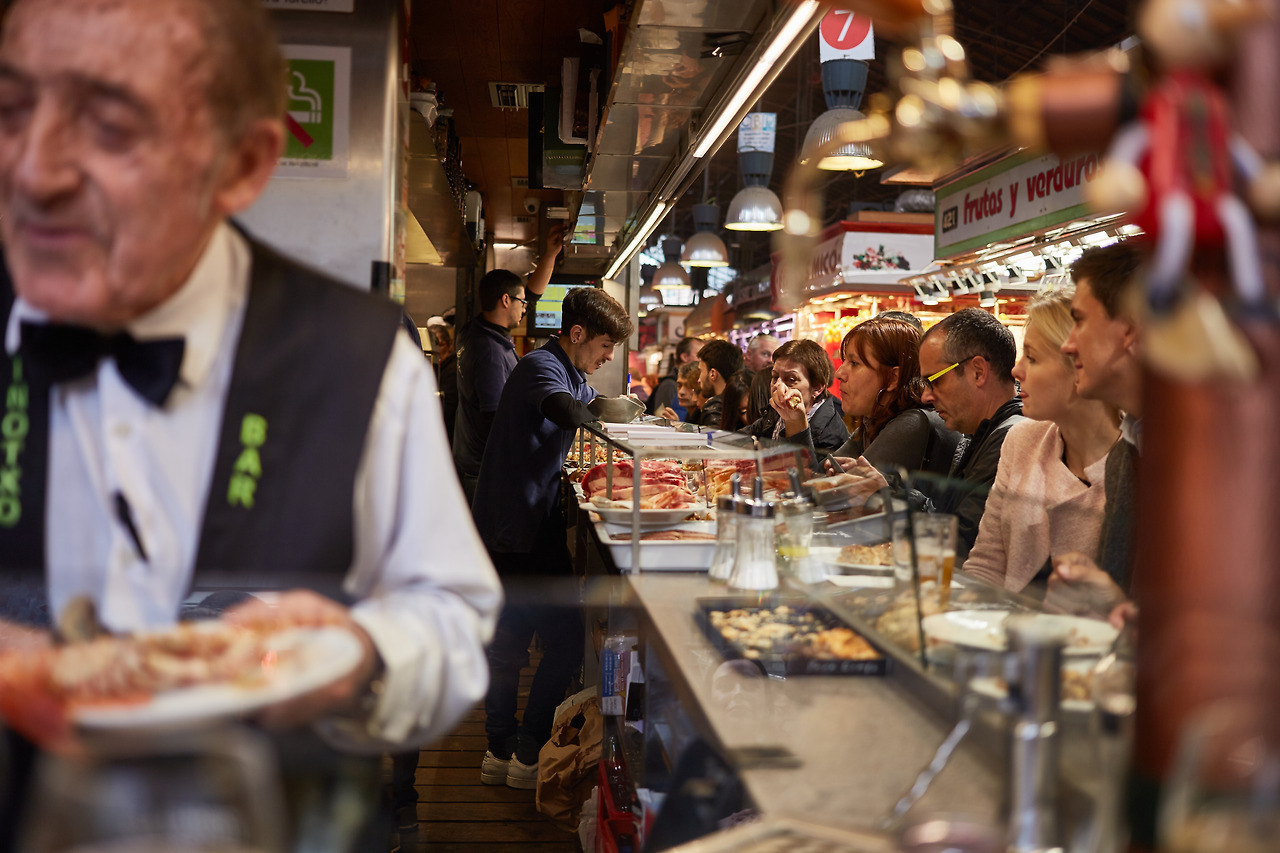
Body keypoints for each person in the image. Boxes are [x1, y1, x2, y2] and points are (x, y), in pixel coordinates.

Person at [0, 0, 501, 847]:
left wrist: (361, 650)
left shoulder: (359, 355)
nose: (34, 171)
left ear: (242, 162)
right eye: (12, 110)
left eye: (112, 127)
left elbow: (453, 620)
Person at [470, 286, 632, 790]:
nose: (608, 357)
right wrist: (609, 416)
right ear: (577, 334)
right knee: (560, 641)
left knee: (511, 642)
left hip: (518, 521)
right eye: (605, 345)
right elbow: (567, 411)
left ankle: (502, 749)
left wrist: (634, 412)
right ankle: (525, 751)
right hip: (515, 526)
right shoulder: (542, 366)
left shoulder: (567, 370)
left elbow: (589, 402)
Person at [962, 288, 1121, 592]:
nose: (1016, 370)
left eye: (1032, 358)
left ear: (1080, 365)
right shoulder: (1022, 439)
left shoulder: (1140, 463)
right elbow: (986, 564)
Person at [1046, 242, 1145, 616]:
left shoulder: (1228, 453)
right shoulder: (1129, 449)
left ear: (1132, 329)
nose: (1068, 345)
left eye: (1080, 320)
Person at [453, 229, 564, 502]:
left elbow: (531, 295)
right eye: (521, 302)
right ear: (505, 300)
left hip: (471, 462)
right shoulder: (489, 351)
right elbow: (495, 418)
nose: (526, 308)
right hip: (482, 470)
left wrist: (550, 254)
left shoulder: (475, 331)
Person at [823, 315, 960, 477]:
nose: (839, 374)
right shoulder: (875, 419)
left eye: (854, 363)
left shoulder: (913, 421)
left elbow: (844, 489)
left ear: (893, 378)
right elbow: (820, 475)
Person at [742, 339, 849, 459]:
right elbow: (742, 437)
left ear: (817, 388)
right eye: (775, 376)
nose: (778, 385)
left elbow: (808, 474)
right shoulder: (777, 411)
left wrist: (796, 421)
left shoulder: (831, 432)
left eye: (791, 379)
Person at [645, 336, 702, 415]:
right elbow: (662, 420)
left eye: (688, 386)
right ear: (685, 357)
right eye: (699, 355)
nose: (682, 392)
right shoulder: (669, 385)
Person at [695, 339, 744, 428]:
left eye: (701, 371)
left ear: (713, 374)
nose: (699, 380)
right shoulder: (745, 401)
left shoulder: (715, 406)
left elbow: (713, 440)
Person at [428, 320, 458, 447]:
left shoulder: (453, 369)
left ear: (449, 344)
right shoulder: (431, 367)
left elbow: (448, 408)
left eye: (439, 345)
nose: (437, 352)